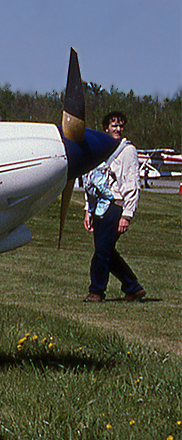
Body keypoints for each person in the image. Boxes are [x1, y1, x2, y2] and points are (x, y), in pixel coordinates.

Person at [82, 111, 145, 302]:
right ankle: (133, 287)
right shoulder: (100, 148)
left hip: (114, 205)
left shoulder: (127, 150)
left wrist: (127, 215)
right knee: (106, 250)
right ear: (106, 128)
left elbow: (132, 183)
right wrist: (88, 209)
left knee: (102, 252)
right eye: (113, 125)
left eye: (120, 125)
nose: (117, 129)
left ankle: (97, 291)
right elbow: (91, 180)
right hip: (98, 206)